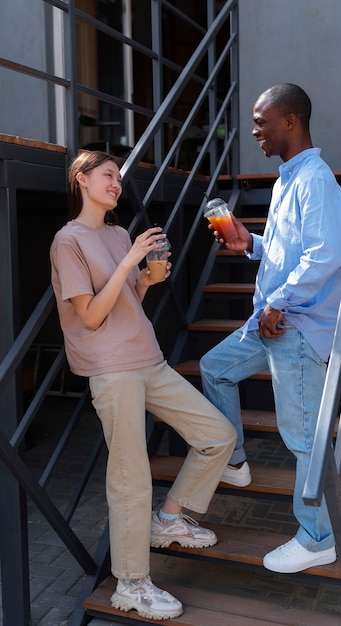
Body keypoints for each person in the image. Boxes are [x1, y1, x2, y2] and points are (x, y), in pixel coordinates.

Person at [50, 150, 237, 620]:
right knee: (131, 476)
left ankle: (170, 517)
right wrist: (131, 258)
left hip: (147, 358)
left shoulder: (116, 233)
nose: (116, 183)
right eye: (108, 175)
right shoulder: (66, 241)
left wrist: (147, 279)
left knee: (218, 435)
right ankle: (131, 583)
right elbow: (91, 315)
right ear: (82, 180)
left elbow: (125, 299)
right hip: (111, 369)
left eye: (119, 177)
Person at [200, 83, 341, 574]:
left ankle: (318, 538)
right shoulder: (290, 178)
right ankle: (237, 461)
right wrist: (251, 243)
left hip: (294, 325)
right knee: (215, 368)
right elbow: (292, 250)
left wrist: (279, 304)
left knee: (302, 437)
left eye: (262, 120)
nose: (254, 130)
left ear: (291, 121)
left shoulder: (316, 180)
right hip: (271, 318)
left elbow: (326, 253)